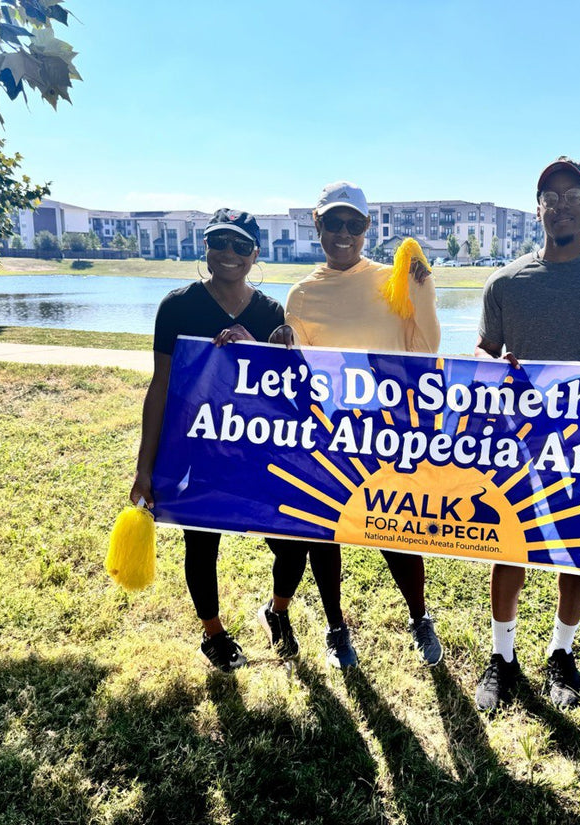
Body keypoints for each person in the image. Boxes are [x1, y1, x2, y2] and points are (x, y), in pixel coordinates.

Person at [473, 157, 580, 711]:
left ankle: (562, 654)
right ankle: (502, 656)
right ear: (538, 207)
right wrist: (492, 367)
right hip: (514, 436)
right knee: (508, 543)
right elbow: (484, 351)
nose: (562, 203)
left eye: (574, 194)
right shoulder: (505, 281)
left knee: (577, 549)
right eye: (552, 195)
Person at [277, 180, 443, 669]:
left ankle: (419, 617)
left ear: (367, 229)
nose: (344, 233)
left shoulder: (393, 279)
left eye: (355, 224)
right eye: (334, 223)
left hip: (387, 428)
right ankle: (335, 628)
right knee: (326, 531)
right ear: (318, 225)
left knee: (396, 528)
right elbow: (299, 372)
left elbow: (424, 350)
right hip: (328, 429)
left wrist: (423, 289)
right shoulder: (301, 295)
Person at [131, 208, 302, 672]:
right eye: (219, 243)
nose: (229, 254)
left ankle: (278, 610)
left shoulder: (270, 312)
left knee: (292, 539)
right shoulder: (177, 306)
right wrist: (144, 468)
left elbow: (283, 395)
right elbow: (160, 386)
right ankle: (214, 634)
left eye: (240, 245)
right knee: (201, 545)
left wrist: (262, 350)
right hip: (196, 451)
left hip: (254, 451)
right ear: (205, 248)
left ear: (255, 254)